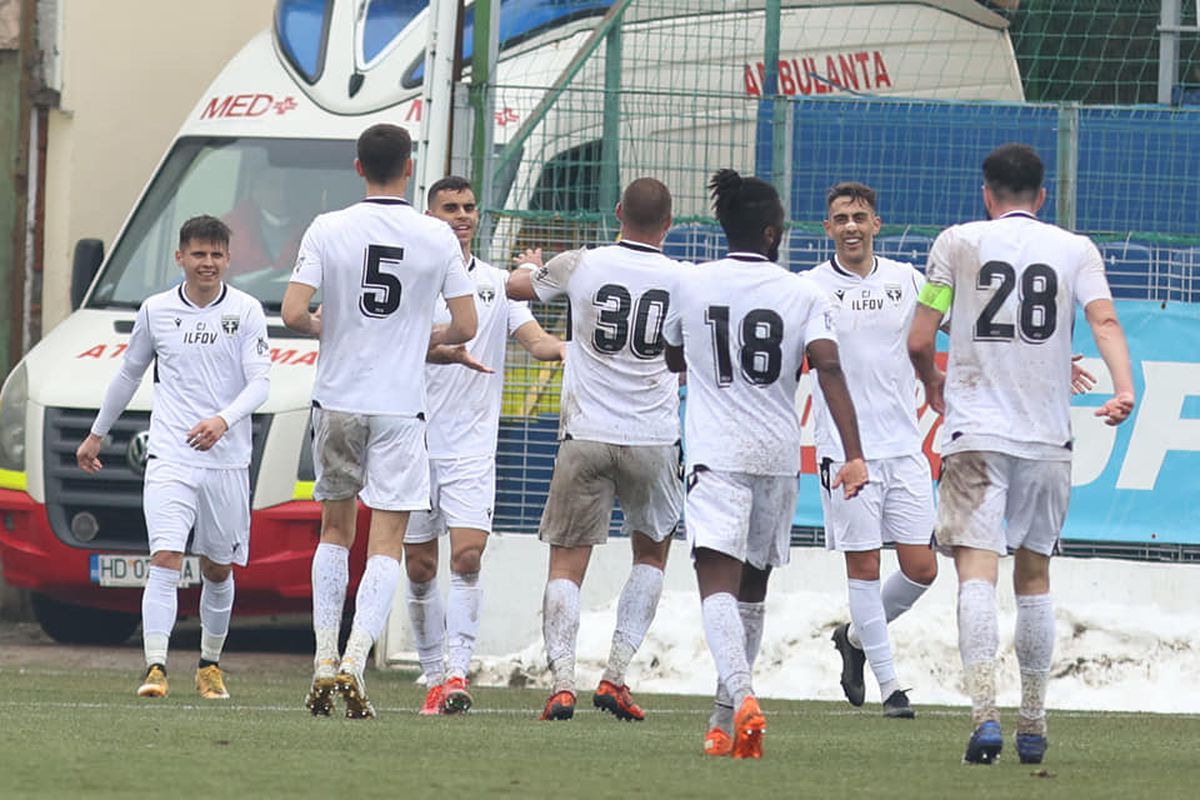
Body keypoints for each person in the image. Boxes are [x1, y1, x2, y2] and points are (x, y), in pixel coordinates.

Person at [908, 143, 1135, 765]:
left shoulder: (956, 242)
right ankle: (1033, 719)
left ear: (987, 193)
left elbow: (922, 333)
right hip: (1045, 439)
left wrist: (931, 380)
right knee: (1034, 576)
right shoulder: (1075, 249)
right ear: (1042, 197)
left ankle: (985, 714)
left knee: (977, 571)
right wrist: (1123, 387)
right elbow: (1106, 321)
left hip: (977, 433)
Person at [662, 169, 869, 759]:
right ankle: (722, 722)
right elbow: (828, 367)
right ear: (774, 233)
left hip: (716, 453)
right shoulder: (804, 292)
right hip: (778, 455)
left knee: (715, 583)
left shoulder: (694, 283)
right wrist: (854, 456)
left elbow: (673, 350)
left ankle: (743, 696)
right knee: (753, 589)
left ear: (725, 229)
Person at [281, 123, 478, 720]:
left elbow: (293, 311)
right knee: (386, 539)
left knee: (334, 530)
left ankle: (321, 655)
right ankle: (355, 659)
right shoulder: (437, 236)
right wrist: (423, 336)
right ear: (411, 169)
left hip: (338, 399)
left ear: (359, 167)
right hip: (399, 405)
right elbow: (465, 327)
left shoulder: (330, 227)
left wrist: (329, 326)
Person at [507, 177, 683, 723]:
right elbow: (682, 354)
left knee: (566, 560)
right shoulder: (683, 279)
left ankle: (562, 683)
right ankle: (616, 675)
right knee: (651, 554)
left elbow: (517, 290)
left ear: (617, 212)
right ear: (669, 225)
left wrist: (530, 265)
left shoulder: (581, 263)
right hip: (652, 437)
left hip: (585, 434)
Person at [75, 215, 271, 700]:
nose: (207, 263)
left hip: (226, 461)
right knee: (163, 557)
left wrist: (223, 420)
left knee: (217, 568)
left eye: (216, 255)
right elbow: (128, 375)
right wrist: (96, 434)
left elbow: (260, 382)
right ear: (180, 257)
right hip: (170, 456)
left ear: (228, 259)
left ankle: (209, 665)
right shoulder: (156, 310)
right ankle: (156, 667)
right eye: (198, 254)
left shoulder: (245, 312)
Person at [404, 176, 565, 716]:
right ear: (429, 217)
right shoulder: (409, 282)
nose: (461, 216)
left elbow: (540, 344)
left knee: (467, 556)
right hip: (411, 442)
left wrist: (583, 348)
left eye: (469, 207)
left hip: (472, 447)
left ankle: (454, 674)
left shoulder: (496, 283)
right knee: (421, 568)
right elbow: (389, 348)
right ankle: (431, 674)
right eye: (449, 207)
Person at [807, 182, 938, 719]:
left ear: (877, 224)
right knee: (862, 566)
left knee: (922, 569)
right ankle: (892, 690)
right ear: (828, 229)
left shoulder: (908, 279)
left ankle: (855, 641)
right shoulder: (809, 287)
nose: (851, 226)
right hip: (845, 453)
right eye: (840, 218)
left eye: (860, 216)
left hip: (904, 447)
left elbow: (955, 317)